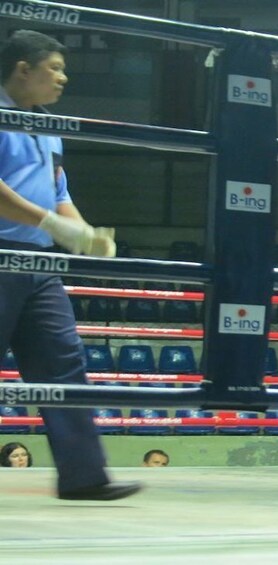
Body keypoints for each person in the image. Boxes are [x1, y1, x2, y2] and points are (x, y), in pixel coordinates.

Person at [0, 30, 138, 501]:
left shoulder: (49, 125)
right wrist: (53, 226)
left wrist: (85, 234)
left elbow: (58, 193)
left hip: (39, 266)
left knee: (64, 366)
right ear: (24, 68)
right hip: (1, 255)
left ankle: (84, 476)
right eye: (55, 67)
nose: (64, 76)